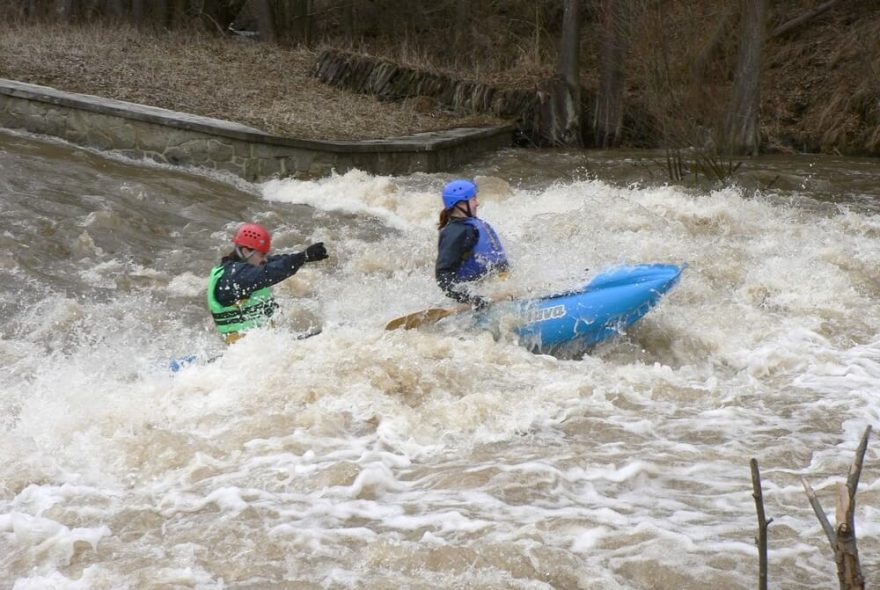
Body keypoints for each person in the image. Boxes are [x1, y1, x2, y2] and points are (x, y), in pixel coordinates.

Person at [207, 222, 329, 344]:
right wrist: (302, 257)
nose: (265, 259)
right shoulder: (234, 277)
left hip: (263, 347)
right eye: (262, 254)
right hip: (245, 352)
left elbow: (275, 262)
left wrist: (305, 256)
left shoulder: (246, 268)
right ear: (245, 252)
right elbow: (268, 272)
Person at [435, 179, 509, 310]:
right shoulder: (456, 232)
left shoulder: (471, 226)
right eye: (474, 199)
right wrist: (472, 298)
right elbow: (443, 276)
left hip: (492, 292)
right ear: (461, 204)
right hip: (473, 300)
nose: (477, 203)